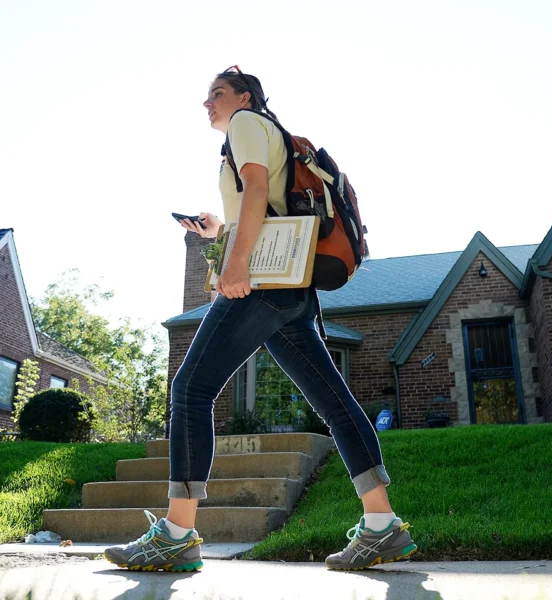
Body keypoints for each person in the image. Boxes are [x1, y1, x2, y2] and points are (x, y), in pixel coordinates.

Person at [104, 66, 417, 572]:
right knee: (335, 403)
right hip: (292, 289)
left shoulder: (247, 123)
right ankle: (382, 525)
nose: (207, 104)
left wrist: (235, 263)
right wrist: (216, 230)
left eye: (217, 94)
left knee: (190, 390)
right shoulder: (258, 134)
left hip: (262, 282)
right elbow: (261, 201)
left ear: (244, 97)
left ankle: (176, 533)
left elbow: (255, 190)